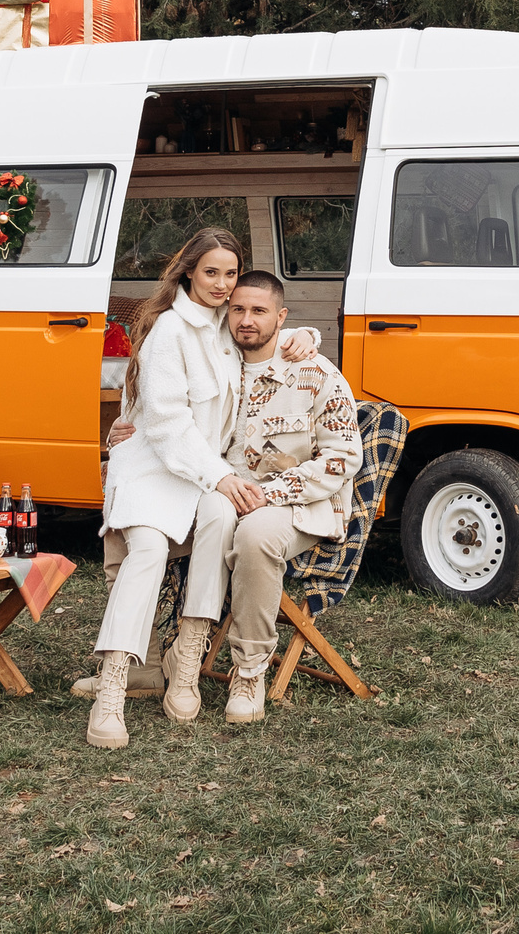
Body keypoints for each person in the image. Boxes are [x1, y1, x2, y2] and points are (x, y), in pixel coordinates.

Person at [87, 228, 318, 749]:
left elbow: (264, 332)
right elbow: (167, 428)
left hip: (202, 474)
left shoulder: (225, 325)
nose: (221, 284)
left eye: (230, 274)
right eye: (211, 272)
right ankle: (113, 688)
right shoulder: (170, 330)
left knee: (220, 517)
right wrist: (222, 476)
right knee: (146, 549)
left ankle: (187, 658)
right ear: (189, 270)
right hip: (153, 466)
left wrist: (306, 336)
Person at [191, 271, 361, 723]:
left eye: (259, 311)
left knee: (257, 536)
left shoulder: (313, 371)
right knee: (150, 524)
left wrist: (271, 494)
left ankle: (249, 672)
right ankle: (156, 657)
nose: (247, 320)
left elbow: (343, 457)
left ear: (281, 317)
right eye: (239, 309)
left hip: (298, 507)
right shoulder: (217, 364)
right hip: (222, 492)